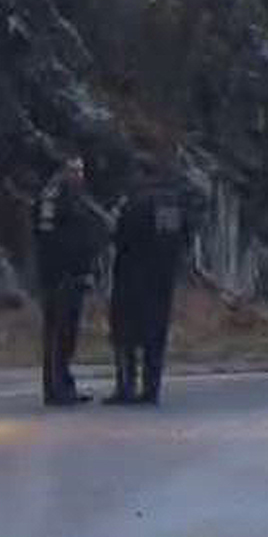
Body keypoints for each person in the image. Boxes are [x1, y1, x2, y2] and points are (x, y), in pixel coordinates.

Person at [103, 158, 192, 405]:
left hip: (132, 276)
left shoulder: (135, 202)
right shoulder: (173, 202)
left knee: (124, 335)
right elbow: (181, 238)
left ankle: (126, 387)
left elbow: (121, 236)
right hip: (162, 279)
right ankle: (151, 388)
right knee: (155, 334)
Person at [33, 155, 114, 406]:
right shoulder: (56, 197)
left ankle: (64, 383)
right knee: (59, 332)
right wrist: (68, 268)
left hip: (72, 273)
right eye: (74, 170)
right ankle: (56, 388)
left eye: (81, 170)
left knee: (68, 332)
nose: (80, 175)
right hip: (61, 276)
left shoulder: (74, 197)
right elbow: (52, 240)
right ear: (64, 170)